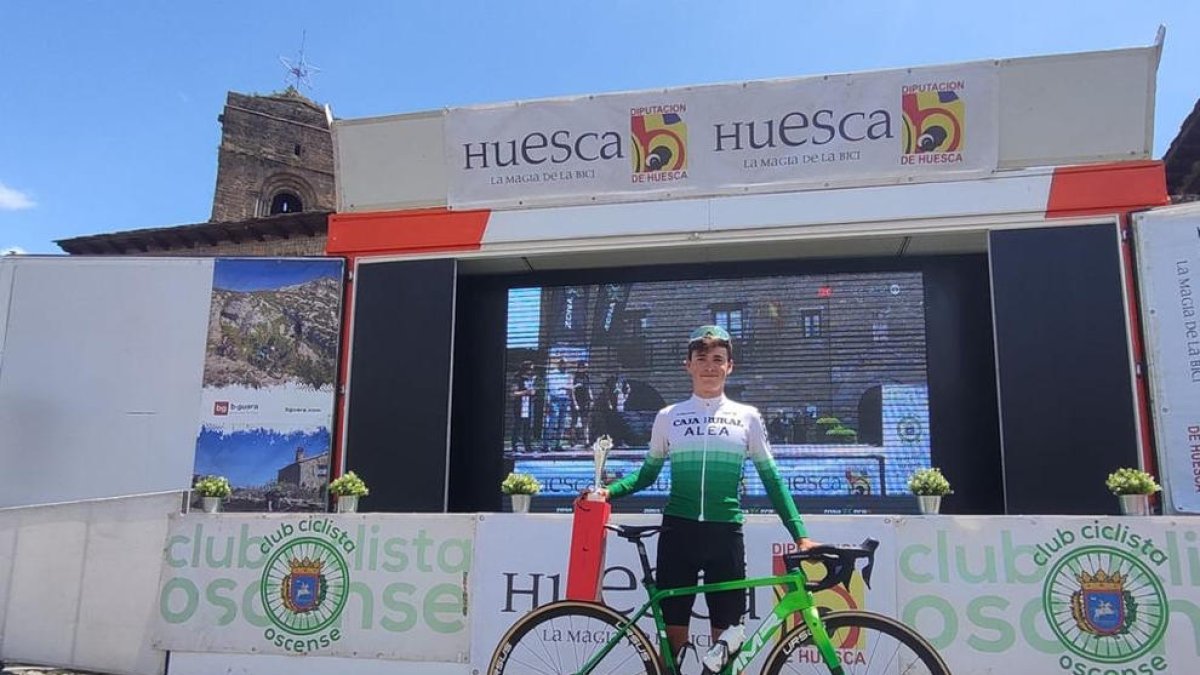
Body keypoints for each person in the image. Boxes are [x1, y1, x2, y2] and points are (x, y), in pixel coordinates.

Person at [588, 325, 817, 661]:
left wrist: (800, 535)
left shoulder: (748, 417)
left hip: (725, 533)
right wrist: (609, 491)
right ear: (689, 365)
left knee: (726, 649)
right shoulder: (669, 416)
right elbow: (648, 474)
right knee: (673, 648)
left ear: (729, 366)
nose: (710, 365)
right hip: (678, 533)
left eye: (718, 359)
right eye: (702, 358)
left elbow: (771, 479)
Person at [510, 361, 537, 452]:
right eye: (531, 369)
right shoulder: (518, 378)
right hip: (519, 404)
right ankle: (515, 444)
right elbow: (514, 393)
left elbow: (532, 390)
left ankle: (527, 445)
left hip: (528, 404)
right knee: (518, 425)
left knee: (528, 425)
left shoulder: (531, 379)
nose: (532, 371)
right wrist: (526, 392)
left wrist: (533, 393)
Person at [570, 360, 593, 446]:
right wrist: (574, 402)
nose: (586, 369)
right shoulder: (574, 376)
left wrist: (591, 398)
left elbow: (588, 387)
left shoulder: (586, 376)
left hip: (585, 401)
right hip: (577, 400)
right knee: (574, 421)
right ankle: (572, 440)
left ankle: (586, 441)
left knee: (585, 421)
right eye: (585, 367)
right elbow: (572, 390)